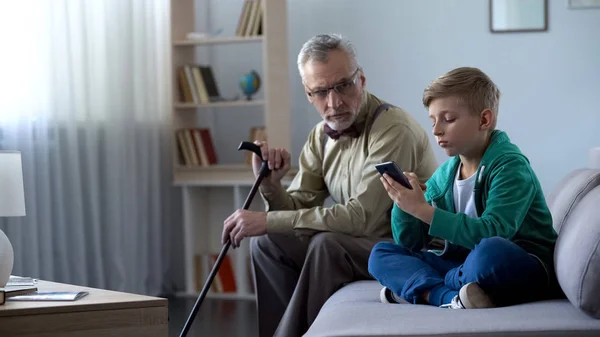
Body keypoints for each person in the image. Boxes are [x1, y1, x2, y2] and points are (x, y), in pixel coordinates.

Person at [220, 33, 438, 337]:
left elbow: (364, 219)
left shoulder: (393, 130)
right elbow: (298, 209)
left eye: (343, 86)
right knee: (267, 242)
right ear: (309, 95)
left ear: (361, 79)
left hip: (407, 247)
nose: (334, 103)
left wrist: (267, 219)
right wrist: (271, 186)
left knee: (328, 245)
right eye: (321, 92)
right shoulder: (320, 137)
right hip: (362, 242)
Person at [368, 67, 561, 310]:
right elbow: (411, 242)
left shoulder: (510, 166)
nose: (436, 130)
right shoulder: (446, 175)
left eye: (448, 119)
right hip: (465, 264)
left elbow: (495, 231)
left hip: (521, 264)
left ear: (484, 120)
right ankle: (449, 297)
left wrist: (423, 210)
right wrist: (404, 205)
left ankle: (425, 288)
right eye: (433, 120)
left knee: (491, 251)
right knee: (381, 254)